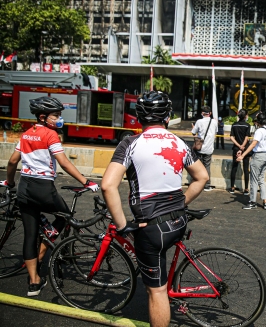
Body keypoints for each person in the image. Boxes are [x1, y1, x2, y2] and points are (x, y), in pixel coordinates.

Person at [101, 91, 208, 327]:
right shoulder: (178, 142)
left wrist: (121, 226)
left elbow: (108, 185)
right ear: (167, 116)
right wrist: (181, 203)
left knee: (157, 292)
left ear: (139, 117)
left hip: (151, 227)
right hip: (178, 221)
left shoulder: (130, 143)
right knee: (161, 275)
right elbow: (202, 177)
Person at [1, 97, 99, 297]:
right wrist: (85, 181)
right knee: (64, 215)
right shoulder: (51, 135)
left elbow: (12, 162)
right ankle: (44, 250)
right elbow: (63, 163)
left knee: (30, 234)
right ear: (43, 117)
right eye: (56, 115)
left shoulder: (27, 134)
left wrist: (9, 182)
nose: (59, 118)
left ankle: (34, 283)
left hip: (24, 188)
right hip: (43, 188)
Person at [237, 112, 266, 210]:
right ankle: (265, 201)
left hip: (258, 157)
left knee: (254, 180)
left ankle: (252, 202)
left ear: (257, 121)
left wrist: (243, 155)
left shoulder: (259, 131)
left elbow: (253, 144)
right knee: (261, 179)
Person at [191, 106, 218, 191]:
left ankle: (198, 181)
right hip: (209, 148)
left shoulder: (199, 121)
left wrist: (193, 127)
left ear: (202, 113)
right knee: (207, 165)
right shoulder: (214, 122)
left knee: (198, 165)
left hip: (200, 147)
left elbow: (193, 133)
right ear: (210, 113)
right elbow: (215, 131)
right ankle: (207, 184)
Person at [229, 109, 251, 195]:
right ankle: (245, 188)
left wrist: (238, 146)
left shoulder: (234, 125)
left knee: (234, 168)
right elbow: (246, 138)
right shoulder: (247, 125)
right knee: (246, 169)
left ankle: (232, 187)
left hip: (235, 148)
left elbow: (231, 137)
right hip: (245, 149)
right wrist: (242, 146)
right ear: (246, 116)